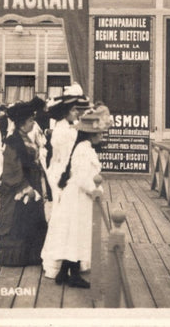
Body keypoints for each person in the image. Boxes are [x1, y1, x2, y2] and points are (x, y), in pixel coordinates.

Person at [40, 103, 112, 288]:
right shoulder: (83, 149)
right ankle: (72, 275)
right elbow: (81, 177)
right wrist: (95, 190)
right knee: (76, 233)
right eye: (100, 134)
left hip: (78, 197)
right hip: (78, 196)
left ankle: (64, 272)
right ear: (91, 134)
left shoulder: (84, 147)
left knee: (73, 233)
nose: (102, 137)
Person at [0, 97, 48, 267]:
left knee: (32, 218)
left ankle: (32, 255)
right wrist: (25, 187)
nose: (33, 123)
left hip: (32, 182)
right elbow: (11, 168)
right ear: (23, 123)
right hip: (18, 187)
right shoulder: (13, 141)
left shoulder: (26, 138)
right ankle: (16, 257)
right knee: (17, 219)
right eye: (31, 120)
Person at [44, 84, 91, 194]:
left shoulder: (70, 125)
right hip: (62, 174)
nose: (77, 113)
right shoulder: (63, 130)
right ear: (66, 111)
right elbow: (67, 157)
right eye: (74, 110)